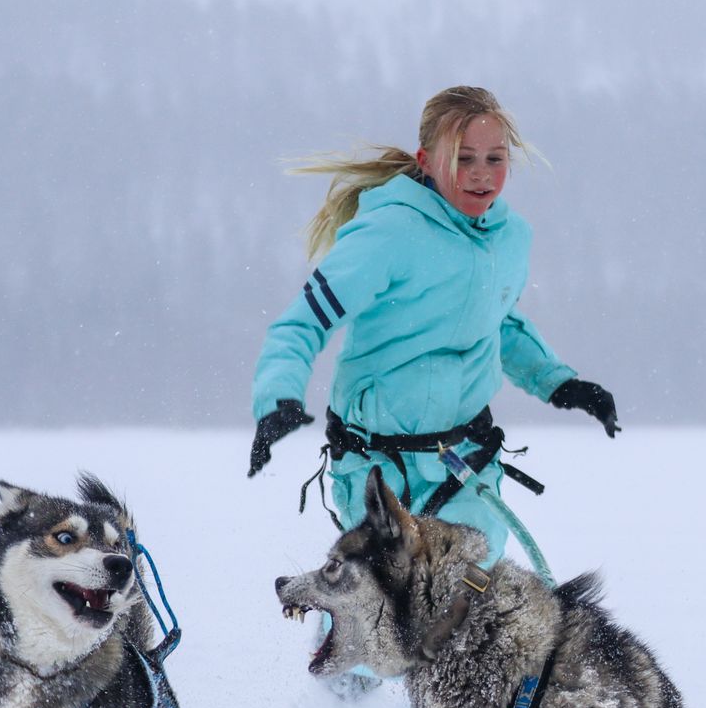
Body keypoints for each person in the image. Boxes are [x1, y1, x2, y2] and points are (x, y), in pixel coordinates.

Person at [246, 85, 620, 567]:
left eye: (494, 158)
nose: (481, 174)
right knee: (384, 601)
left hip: (464, 460)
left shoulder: (510, 240)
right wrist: (278, 398)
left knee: (465, 595)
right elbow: (303, 322)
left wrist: (561, 384)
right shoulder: (388, 233)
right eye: (463, 159)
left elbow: (498, 324)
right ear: (426, 160)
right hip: (376, 465)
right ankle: (340, 640)